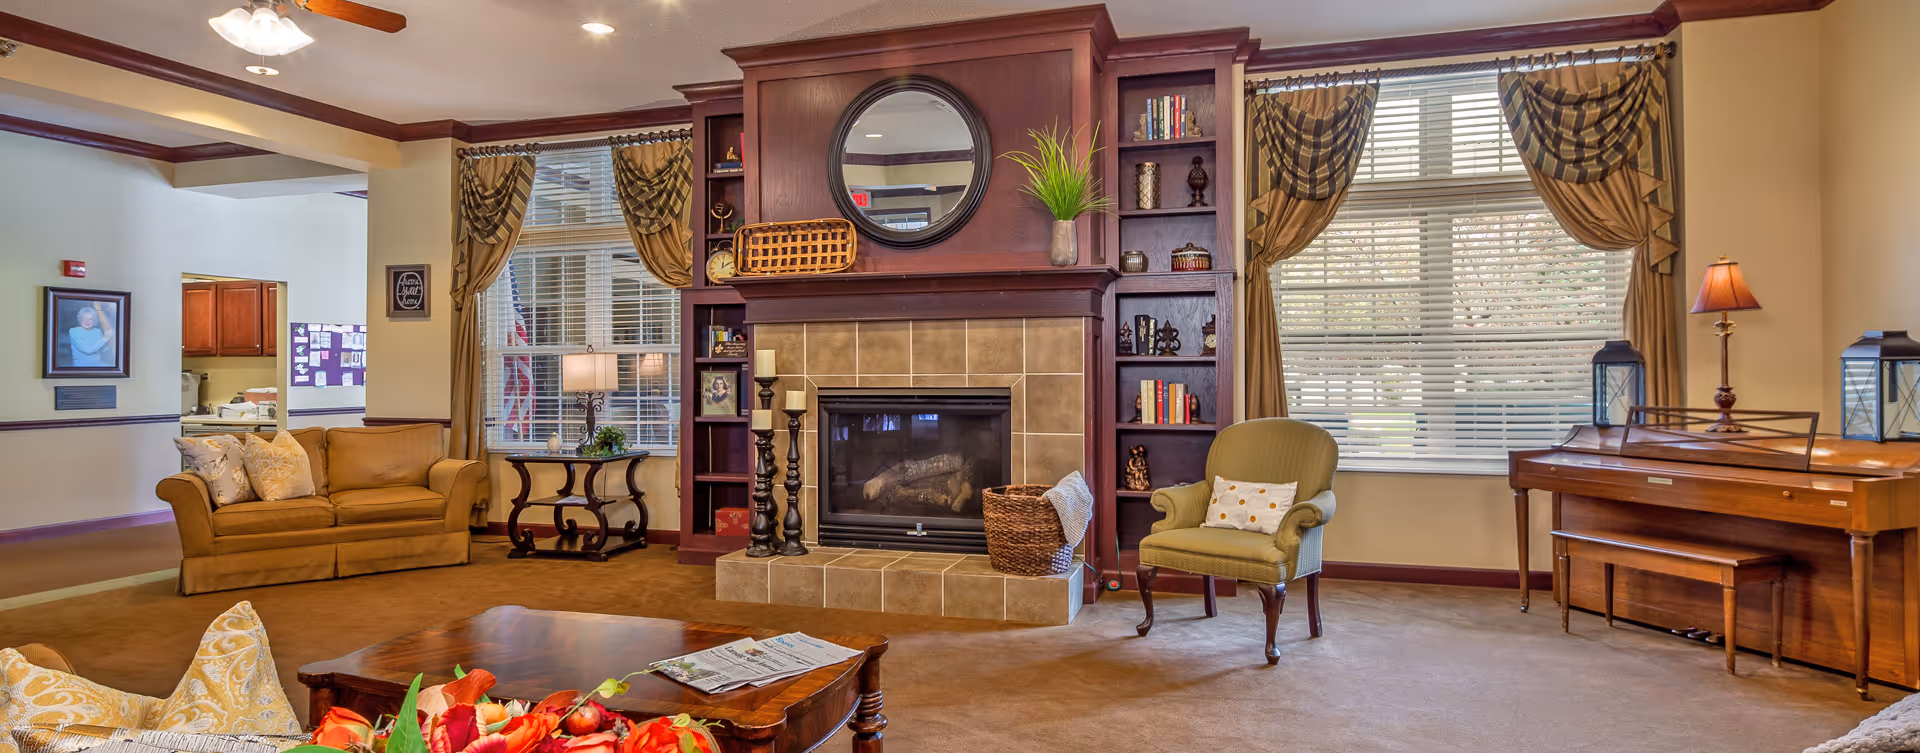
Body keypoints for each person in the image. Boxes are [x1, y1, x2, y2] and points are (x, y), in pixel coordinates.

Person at [67, 302, 115, 368]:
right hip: (81, 366)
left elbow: (102, 348)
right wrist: (105, 338)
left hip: (97, 364)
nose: (87, 321)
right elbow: (88, 350)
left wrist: (112, 343)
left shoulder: (98, 331)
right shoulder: (74, 331)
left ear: (94, 321)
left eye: (90, 319)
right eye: (84, 319)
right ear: (80, 319)